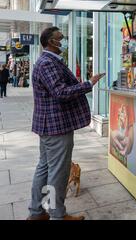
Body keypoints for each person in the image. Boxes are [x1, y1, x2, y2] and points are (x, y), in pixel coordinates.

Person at [27, 27, 105, 221]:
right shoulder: (48, 63)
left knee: (45, 168)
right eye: (61, 38)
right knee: (57, 173)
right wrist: (88, 83)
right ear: (51, 42)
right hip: (55, 126)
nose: (64, 41)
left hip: (49, 126)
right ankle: (56, 215)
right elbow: (60, 92)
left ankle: (37, 212)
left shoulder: (47, 62)